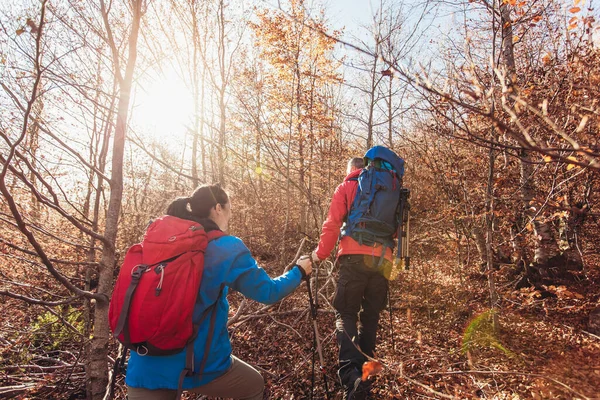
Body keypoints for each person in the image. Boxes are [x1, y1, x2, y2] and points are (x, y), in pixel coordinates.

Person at [125, 184, 312, 400]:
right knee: (254, 385)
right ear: (217, 208)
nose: (230, 216)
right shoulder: (225, 247)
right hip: (200, 365)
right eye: (229, 209)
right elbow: (268, 292)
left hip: (145, 363)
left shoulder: (158, 241)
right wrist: (298, 272)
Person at [311, 155, 395, 400]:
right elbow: (397, 231)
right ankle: (366, 376)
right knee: (371, 315)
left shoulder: (347, 186)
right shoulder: (389, 190)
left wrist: (320, 255)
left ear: (352, 170)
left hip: (353, 258)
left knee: (346, 313)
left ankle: (352, 377)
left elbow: (333, 224)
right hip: (383, 261)